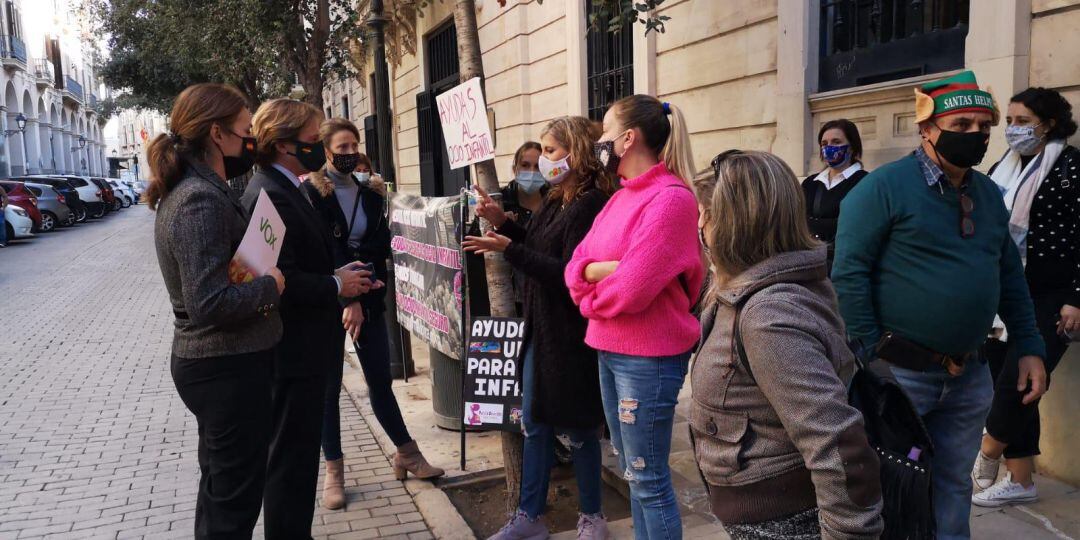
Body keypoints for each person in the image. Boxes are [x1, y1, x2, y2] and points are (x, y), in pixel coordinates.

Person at [832, 71, 1047, 540]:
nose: (976, 136)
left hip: (969, 376)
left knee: (953, 485)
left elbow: (1008, 275)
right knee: (892, 485)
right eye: (962, 125)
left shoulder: (989, 195)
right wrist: (872, 359)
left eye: (982, 127)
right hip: (900, 375)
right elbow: (849, 275)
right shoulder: (881, 190)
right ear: (927, 129)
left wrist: (1029, 344)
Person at [690, 149, 882, 540]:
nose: (698, 225)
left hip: (782, 523)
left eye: (704, 214)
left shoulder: (769, 316)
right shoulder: (747, 290)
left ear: (730, 224)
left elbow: (836, 441)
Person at [464, 117, 617, 540]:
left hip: (572, 335)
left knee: (582, 428)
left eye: (550, 151)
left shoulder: (590, 204)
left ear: (577, 152)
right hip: (540, 329)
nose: (543, 160)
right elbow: (536, 245)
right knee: (534, 422)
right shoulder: (555, 198)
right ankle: (530, 517)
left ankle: (592, 516)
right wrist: (504, 223)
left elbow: (570, 274)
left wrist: (510, 249)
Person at [148, 83, 285, 539]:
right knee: (233, 501)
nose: (251, 142)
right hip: (224, 367)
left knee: (222, 488)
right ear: (216, 134)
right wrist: (270, 285)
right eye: (246, 131)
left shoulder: (200, 190)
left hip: (222, 365)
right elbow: (209, 303)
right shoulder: (198, 200)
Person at [565, 95, 704, 540]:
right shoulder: (621, 198)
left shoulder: (670, 199)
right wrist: (600, 270)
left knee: (648, 480)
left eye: (606, 131)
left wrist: (591, 289)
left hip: (649, 357)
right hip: (609, 346)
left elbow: (635, 286)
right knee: (632, 473)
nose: (599, 141)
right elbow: (575, 265)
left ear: (629, 138)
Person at [241, 99, 372, 539]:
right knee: (291, 461)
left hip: (306, 349)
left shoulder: (285, 187)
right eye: (314, 141)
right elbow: (275, 281)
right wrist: (337, 287)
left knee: (297, 460)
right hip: (293, 353)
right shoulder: (267, 193)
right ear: (283, 144)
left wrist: (336, 276)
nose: (320, 149)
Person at [304, 118, 444, 511]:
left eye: (353, 146)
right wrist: (345, 297)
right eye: (341, 147)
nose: (349, 154)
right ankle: (334, 472)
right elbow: (321, 249)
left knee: (380, 379)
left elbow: (379, 242)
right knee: (328, 390)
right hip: (328, 297)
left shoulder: (371, 192)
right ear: (325, 150)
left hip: (366, 294)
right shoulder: (311, 193)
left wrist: (364, 291)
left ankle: (407, 454)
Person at [972, 87, 1080, 507]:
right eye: (1010, 122)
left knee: (1019, 383)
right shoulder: (1006, 166)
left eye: (1021, 121)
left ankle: (986, 452)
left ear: (1048, 123)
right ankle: (1020, 480)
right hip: (1004, 294)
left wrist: (1076, 295)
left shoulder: (1071, 168)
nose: (1012, 130)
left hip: (1053, 296)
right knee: (1015, 387)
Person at [802, 119, 869, 267]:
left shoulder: (867, 183)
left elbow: (858, 228)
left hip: (846, 266)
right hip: (812, 264)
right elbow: (797, 222)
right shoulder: (811, 183)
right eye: (824, 144)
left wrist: (814, 223)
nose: (829, 147)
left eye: (836, 142)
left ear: (852, 147)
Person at [500, 141, 548, 316]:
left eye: (538, 166)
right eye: (525, 165)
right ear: (515, 169)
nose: (532, 172)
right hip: (513, 296)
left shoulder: (555, 200)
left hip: (546, 288)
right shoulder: (501, 201)